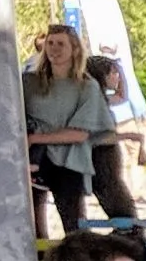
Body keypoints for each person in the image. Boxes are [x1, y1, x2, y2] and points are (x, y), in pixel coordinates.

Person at [23, 23, 115, 238]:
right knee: (31, 221)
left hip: (68, 162)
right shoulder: (29, 82)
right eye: (50, 44)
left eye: (60, 44)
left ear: (74, 49)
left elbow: (80, 133)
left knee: (73, 223)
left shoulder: (86, 86)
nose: (54, 49)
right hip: (32, 160)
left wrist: (36, 138)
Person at [83, 52, 140, 225]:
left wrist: (120, 69)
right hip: (102, 163)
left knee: (124, 210)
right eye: (113, 73)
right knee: (123, 212)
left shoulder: (101, 98)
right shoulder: (92, 101)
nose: (116, 77)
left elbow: (122, 95)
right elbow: (93, 137)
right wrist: (127, 136)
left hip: (108, 165)